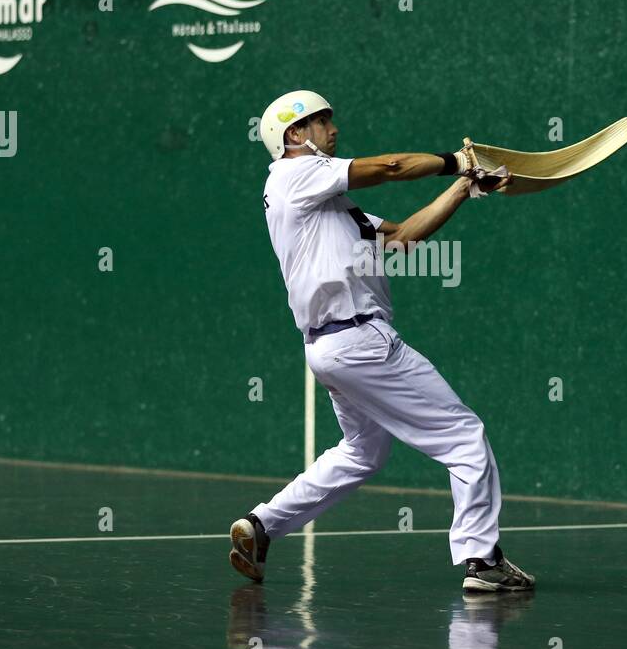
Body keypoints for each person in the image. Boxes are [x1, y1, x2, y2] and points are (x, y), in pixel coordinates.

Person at [228, 89, 535, 593]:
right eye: (324, 121)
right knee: (464, 438)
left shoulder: (332, 208)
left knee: (362, 452)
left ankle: (261, 526)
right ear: (294, 134)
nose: (335, 130)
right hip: (361, 341)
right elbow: (391, 166)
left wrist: (464, 187)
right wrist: (456, 159)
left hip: (328, 351)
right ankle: (481, 561)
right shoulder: (293, 174)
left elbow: (403, 240)